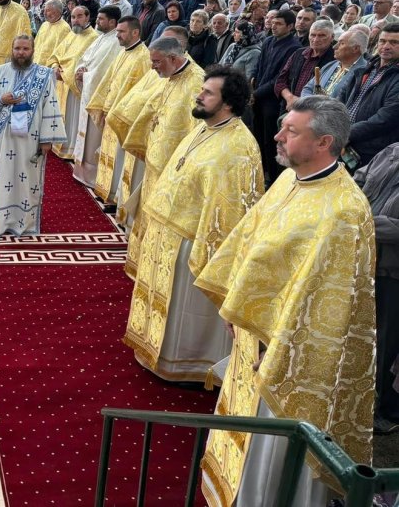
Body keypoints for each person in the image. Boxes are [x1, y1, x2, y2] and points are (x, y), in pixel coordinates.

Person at [195, 96, 374, 507]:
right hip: (253, 333)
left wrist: (276, 345)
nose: (277, 136)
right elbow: (249, 240)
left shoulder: (343, 212)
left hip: (283, 354)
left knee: (271, 451)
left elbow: (324, 302)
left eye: (291, 132)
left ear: (324, 142)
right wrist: (237, 305)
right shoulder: (290, 178)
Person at [124, 66, 262, 381]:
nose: (199, 95)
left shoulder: (238, 148)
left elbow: (229, 215)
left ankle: (185, 365)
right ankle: (152, 351)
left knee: (181, 312)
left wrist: (205, 252)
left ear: (227, 103)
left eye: (208, 93)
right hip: (167, 229)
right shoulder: (205, 127)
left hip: (192, 242)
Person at [120, 33, 206, 276]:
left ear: (173, 58)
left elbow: (195, 128)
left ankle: (156, 269)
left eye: (157, 62)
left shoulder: (196, 82)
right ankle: (144, 262)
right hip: (155, 160)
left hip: (172, 165)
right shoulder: (172, 76)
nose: (153, 66)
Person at [0, 35, 65, 236]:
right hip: (5, 138)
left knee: (28, 180)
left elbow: (51, 106)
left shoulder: (43, 75)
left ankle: (25, 224)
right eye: (17, 48)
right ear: (12, 48)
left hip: (31, 139)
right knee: (3, 178)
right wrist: (0, 99)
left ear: (32, 50)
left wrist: (47, 139)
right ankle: (1, 223)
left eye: (25, 49)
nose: (21, 52)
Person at [354, 142, 399, 435]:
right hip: (367, 260)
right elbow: (360, 176)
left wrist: (362, 220)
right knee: (364, 334)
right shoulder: (393, 150)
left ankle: (386, 411)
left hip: (394, 272)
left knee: (387, 344)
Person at [86, 17, 150, 205]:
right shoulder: (124, 52)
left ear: (135, 33)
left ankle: (117, 198)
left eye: (121, 32)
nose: (118, 35)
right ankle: (107, 191)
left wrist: (117, 112)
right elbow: (110, 80)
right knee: (110, 154)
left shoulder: (143, 58)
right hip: (112, 112)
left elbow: (142, 93)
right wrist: (104, 105)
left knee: (121, 159)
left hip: (124, 117)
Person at [68, 6, 123, 182]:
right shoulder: (102, 38)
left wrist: (85, 75)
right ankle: (81, 171)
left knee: (93, 139)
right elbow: (86, 58)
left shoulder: (115, 42)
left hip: (96, 95)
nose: (97, 21)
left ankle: (91, 176)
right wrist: (80, 69)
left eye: (101, 19)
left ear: (112, 22)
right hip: (88, 90)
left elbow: (103, 71)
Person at [251, 9, 301, 183]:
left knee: (270, 141)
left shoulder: (294, 47)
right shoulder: (268, 41)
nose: (274, 26)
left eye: (279, 24)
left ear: (290, 26)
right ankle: (259, 172)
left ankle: (272, 178)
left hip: (272, 100)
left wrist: (256, 93)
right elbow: (259, 66)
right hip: (257, 96)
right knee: (257, 138)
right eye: (272, 22)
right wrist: (253, 87)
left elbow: (279, 77)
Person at [340, 21, 399, 166]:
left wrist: (347, 133)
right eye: (382, 41)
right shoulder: (368, 67)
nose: (386, 46)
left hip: (373, 152)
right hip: (345, 142)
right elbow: (341, 98)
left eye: (394, 42)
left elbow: (385, 118)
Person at [48, 3, 98, 159]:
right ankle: (57, 144)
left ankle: (71, 149)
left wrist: (66, 74)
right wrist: (55, 67)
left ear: (88, 17)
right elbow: (56, 54)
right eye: (73, 17)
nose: (75, 20)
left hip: (76, 86)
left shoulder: (94, 38)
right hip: (62, 82)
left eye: (79, 16)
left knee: (73, 118)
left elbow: (87, 65)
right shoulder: (71, 34)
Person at [301, 26, 370, 99]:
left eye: (341, 43)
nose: (334, 47)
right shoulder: (330, 65)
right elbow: (308, 88)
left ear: (355, 49)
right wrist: (310, 103)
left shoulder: (364, 73)